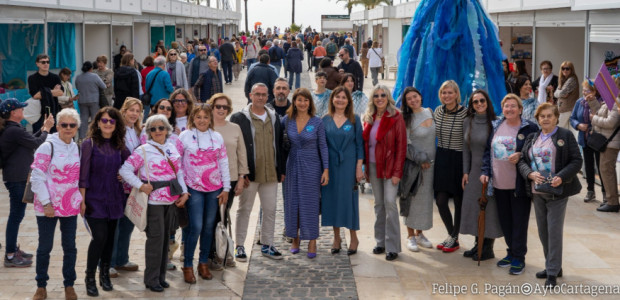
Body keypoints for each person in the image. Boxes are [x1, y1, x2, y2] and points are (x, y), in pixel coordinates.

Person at [119, 115, 189, 292]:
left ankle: (160, 277)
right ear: (149, 132)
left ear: (167, 129)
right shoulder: (143, 150)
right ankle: (151, 280)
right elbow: (125, 170)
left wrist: (184, 192)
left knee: (165, 239)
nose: (158, 131)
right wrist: (141, 186)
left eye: (161, 128)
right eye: (153, 129)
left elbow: (178, 173)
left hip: (171, 200)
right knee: (155, 240)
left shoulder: (172, 148)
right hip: (154, 202)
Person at [517, 103, 582, 287]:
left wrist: (561, 177)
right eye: (542, 116)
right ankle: (553, 265)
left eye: (549, 116)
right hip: (537, 192)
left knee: (554, 232)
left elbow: (577, 160)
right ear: (537, 119)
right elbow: (522, 160)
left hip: (557, 193)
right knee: (543, 232)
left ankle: (552, 273)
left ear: (556, 118)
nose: (546, 119)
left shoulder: (565, 135)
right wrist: (529, 174)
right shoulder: (532, 137)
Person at [480, 93, 538, 275]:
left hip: (519, 184)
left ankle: (519, 257)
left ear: (520, 109)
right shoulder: (496, 125)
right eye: (506, 106)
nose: (509, 109)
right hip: (498, 183)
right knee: (505, 221)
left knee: (519, 222)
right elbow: (487, 151)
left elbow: (538, 151)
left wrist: (522, 155)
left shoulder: (529, 127)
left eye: (513, 106)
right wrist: (485, 172)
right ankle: (511, 252)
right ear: (502, 109)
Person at [30, 108, 82, 300]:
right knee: (45, 247)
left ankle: (69, 285)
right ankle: (41, 286)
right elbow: (36, 176)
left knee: (70, 247)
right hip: (47, 206)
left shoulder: (76, 147)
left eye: (72, 125)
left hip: (69, 206)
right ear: (57, 125)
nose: (68, 128)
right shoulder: (47, 146)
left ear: (77, 127)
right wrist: (46, 203)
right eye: (64, 125)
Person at [230, 83, 285, 261]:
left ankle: (268, 244)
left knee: (270, 210)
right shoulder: (239, 117)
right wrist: (241, 173)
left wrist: (281, 169)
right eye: (257, 94)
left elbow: (280, 145)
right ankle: (239, 246)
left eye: (263, 94)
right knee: (244, 209)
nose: (260, 97)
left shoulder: (274, 116)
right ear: (250, 95)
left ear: (268, 96)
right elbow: (235, 147)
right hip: (249, 173)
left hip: (270, 172)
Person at [79, 107, 130, 296]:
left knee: (109, 239)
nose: (108, 124)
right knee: (99, 237)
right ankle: (90, 276)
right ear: (98, 122)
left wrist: (124, 176)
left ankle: (105, 275)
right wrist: (82, 200)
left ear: (117, 125)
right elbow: (82, 175)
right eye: (104, 120)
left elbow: (134, 164)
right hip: (94, 198)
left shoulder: (120, 145)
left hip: (115, 198)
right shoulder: (89, 144)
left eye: (112, 121)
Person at [179, 104, 230, 283]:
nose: (202, 120)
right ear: (193, 118)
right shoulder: (184, 136)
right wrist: (183, 190)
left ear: (210, 119)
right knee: (196, 227)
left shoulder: (217, 137)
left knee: (209, 227)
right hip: (193, 189)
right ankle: (187, 265)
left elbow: (223, 162)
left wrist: (226, 188)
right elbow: (178, 165)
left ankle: (203, 263)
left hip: (214, 189)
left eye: (205, 117)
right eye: (198, 117)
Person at [0, 99, 53, 268]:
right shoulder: (13, 131)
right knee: (16, 216)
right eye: (20, 108)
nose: (23, 110)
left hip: (17, 177)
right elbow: (37, 143)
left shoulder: (13, 130)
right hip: (17, 178)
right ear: (13, 112)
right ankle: (10, 254)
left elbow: (30, 139)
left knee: (17, 215)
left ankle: (12, 249)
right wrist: (47, 129)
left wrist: (43, 128)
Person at [281, 88, 329, 258]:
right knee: (292, 202)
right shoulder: (287, 120)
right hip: (292, 164)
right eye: (299, 100)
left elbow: (323, 146)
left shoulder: (317, 122)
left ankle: (312, 240)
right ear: (294, 102)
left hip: (312, 165)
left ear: (310, 102)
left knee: (310, 203)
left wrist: (326, 170)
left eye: (305, 100)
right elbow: (280, 146)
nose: (302, 103)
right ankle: (295, 237)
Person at [362, 85, 407, 261]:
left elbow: (401, 146)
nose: (379, 98)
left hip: (390, 167)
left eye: (383, 95)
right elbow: (367, 143)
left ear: (388, 97)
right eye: (376, 96)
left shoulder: (396, 117)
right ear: (372, 99)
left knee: (390, 203)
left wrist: (397, 172)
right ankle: (380, 242)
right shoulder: (369, 117)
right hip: (373, 166)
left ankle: (393, 246)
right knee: (378, 204)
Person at [321, 86, 363, 256]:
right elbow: (322, 145)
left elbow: (360, 145)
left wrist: (359, 167)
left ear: (348, 101)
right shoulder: (324, 120)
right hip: (330, 165)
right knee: (332, 201)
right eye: (337, 97)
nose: (340, 100)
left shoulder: (354, 120)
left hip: (349, 165)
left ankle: (354, 237)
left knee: (349, 200)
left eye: (343, 97)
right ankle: (336, 238)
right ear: (332, 99)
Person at [460, 90, 501, 261]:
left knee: (489, 209)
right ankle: (478, 244)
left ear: (487, 101)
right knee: (475, 207)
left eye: (482, 100)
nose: (479, 104)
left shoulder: (496, 123)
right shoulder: (467, 121)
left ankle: (487, 248)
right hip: (474, 172)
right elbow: (465, 149)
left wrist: (491, 173)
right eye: (475, 102)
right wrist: (465, 171)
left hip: (490, 172)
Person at [209, 93, 249, 268]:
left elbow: (242, 154)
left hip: (230, 179)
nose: (221, 110)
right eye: (218, 106)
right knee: (210, 218)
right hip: (208, 181)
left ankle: (222, 252)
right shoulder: (206, 127)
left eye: (225, 107)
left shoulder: (234, 127)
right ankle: (210, 254)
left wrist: (241, 178)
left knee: (223, 217)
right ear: (212, 107)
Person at [109, 98, 143, 278]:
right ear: (124, 111)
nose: (134, 114)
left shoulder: (137, 131)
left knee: (128, 222)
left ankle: (122, 258)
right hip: (117, 184)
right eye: (131, 110)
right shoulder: (116, 130)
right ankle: (108, 262)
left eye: (137, 111)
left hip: (133, 186)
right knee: (113, 224)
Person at [398, 87, 435, 252]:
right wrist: (421, 159)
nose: (413, 100)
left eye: (415, 96)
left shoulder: (429, 111)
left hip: (431, 166)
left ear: (420, 96)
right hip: (414, 165)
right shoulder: (405, 118)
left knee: (425, 200)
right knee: (411, 198)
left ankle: (420, 233)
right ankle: (410, 235)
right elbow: (405, 144)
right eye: (409, 99)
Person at [433, 80, 468, 253]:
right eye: (443, 92)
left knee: (459, 201)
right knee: (440, 201)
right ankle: (452, 235)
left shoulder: (465, 113)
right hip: (441, 157)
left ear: (456, 94)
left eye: (450, 92)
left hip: (459, 158)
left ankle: (453, 238)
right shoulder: (438, 111)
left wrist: (467, 169)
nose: (446, 96)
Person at [570, 80, 606, 203]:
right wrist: (578, 125)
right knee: (589, 166)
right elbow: (572, 118)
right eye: (584, 90)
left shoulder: (601, 103)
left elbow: (602, 117)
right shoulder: (579, 102)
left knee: (602, 167)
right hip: (585, 139)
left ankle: (606, 193)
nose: (585, 93)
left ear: (595, 91)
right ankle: (590, 191)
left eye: (588, 90)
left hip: (598, 139)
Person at [590, 77, 620, 212]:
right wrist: (592, 101)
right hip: (607, 141)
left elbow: (610, 123)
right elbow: (600, 113)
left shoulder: (616, 100)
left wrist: (594, 119)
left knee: (607, 171)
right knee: (606, 170)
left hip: (611, 142)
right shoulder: (610, 100)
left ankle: (612, 201)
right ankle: (610, 199)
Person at [27, 54, 63, 133]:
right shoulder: (32, 78)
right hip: (38, 113)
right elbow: (35, 95)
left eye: (47, 62)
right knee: (38, 138)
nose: (46, 64)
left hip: (53, 112)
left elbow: (60, 92)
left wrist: (43, 92)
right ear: (37, 64)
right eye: (43, 62)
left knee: (53, 137)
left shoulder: (55, 77)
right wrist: (53, 91)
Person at [75, 61, 107, 140]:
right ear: (91, 68)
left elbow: (77, 87)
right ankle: (94, 135)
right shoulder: (95, 76)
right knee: (94, 119)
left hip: (82, 100)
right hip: (93, 100)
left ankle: (82, 137)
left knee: (83, 119)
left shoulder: (78, 77)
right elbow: (103, 86)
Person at [554, 61, 579, 129]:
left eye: (567, 68)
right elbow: (556, 94)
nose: (565, 70)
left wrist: (559, 93)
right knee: (565, 131)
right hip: (563, 109)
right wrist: (559, 93)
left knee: (557, 128)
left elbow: (562, 93)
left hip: (567, 109)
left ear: (571, 70)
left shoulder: (572, 79)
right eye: (563, 68)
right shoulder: (563, 79)